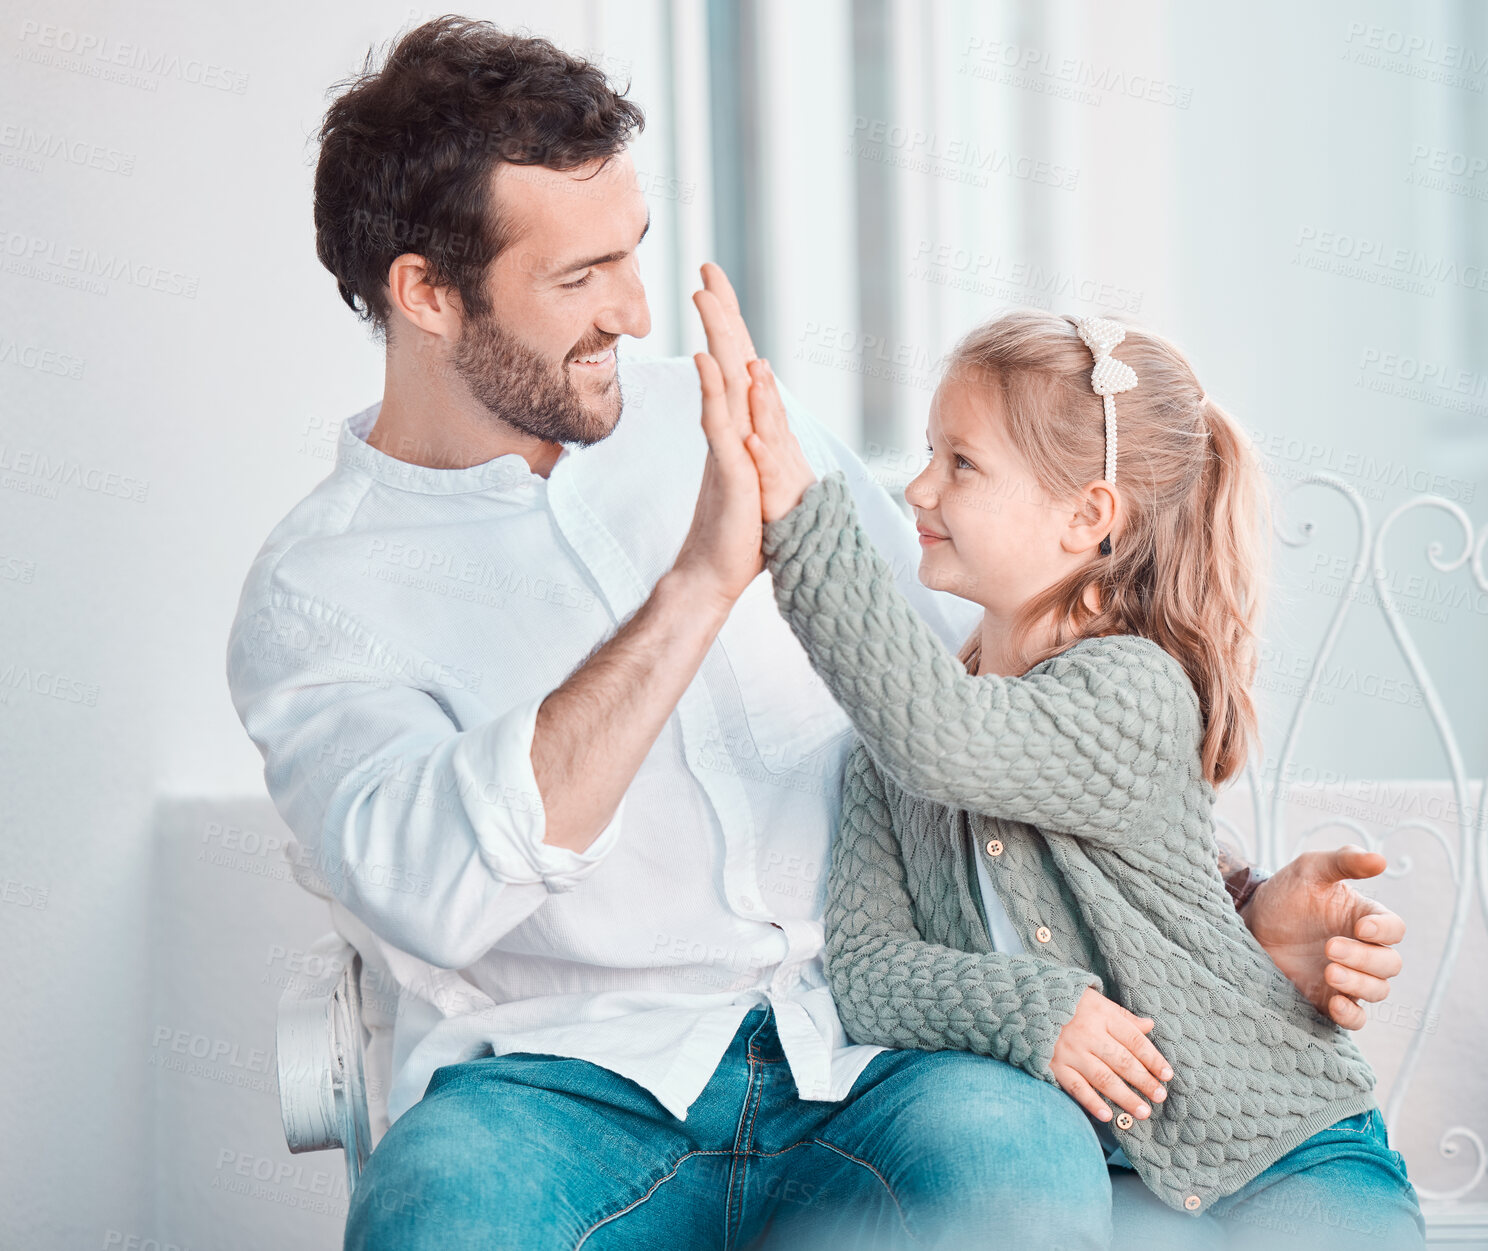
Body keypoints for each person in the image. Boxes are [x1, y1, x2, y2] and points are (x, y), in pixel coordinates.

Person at [225, 16, 1409, 1249]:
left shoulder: (724, 412)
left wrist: (1231, 904)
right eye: (578, 278)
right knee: (436, 1224)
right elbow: (432, 894)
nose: (634, 312)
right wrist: (698, 585)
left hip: (880, 1051)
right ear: (425, 292)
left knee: (1016, 1178)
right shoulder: (321, 595)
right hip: (551, 1089)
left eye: (633, 255)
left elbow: (989, 691)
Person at [724, 308, 1426, 1249]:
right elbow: (869, 972)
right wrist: (1034, 1010)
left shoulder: (1133, 688)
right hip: (1105, 1181)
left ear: (1088, 516)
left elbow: (943, 733)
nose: (919, 485)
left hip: (1284, 1148)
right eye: (929, 451)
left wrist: (799, 517)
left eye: (961, 463)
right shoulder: (888, 755)